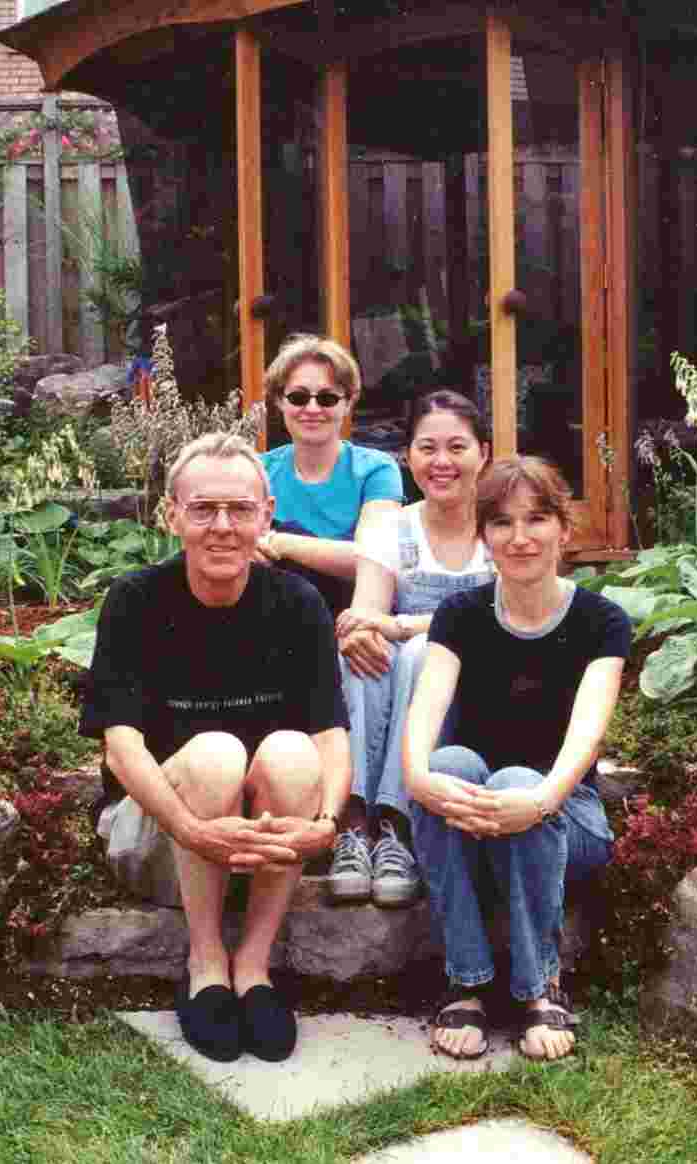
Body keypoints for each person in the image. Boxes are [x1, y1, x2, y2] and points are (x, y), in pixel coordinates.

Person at [81, 432, 350, 1064]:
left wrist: (330, 824)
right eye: (203, 509)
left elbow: (329, 735)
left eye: (240, 510)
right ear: (171, 514)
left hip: (259, 847)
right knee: (215, 754)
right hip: (157, 838)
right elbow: (121, 748)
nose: (222, 527)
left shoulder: (297, 603)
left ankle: (253, 968)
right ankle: (205, 964)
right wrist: (189, 830)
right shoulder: (135, 601)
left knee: (289, 752)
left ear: (267, 514)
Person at [401, 456, 631, 1062]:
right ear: (484, 537)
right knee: (448, 762)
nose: (520, 537)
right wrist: (418, 778)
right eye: (502, 523)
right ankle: (468, 983)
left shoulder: (601, 621)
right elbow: (424, 712)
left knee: (519, 777)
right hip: (473, 813)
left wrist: (540, 798)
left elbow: (586, 733)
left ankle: (539, 988)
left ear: (564, 528)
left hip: (566, 814)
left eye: (537, 519)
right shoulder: (460, 616)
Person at [328, 390, 494, 908]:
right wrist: (365, 629)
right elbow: (368, 614)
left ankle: (398, 823)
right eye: (427, 448)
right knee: (360, 652)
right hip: (403, 677)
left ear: (483, 453)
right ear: (409, 456)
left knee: (425, 650)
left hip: (478, 687)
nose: (441, 462)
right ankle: (354, 825)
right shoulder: (391, 527)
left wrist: (401, 626)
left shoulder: (503, 526)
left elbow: (498, 619)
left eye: (457, 447)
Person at [253, 334, 404, 613]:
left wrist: (279, 542)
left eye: (327, 398)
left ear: (348, 403)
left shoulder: (376, 470)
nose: (312, 409)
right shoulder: (257, 470)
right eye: (298, 397)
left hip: (353, 619)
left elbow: (377, 559)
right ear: (278, 401)